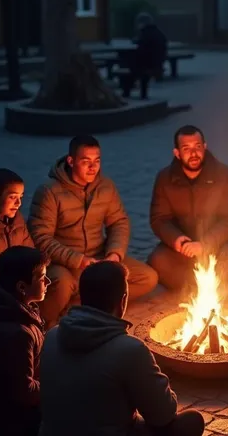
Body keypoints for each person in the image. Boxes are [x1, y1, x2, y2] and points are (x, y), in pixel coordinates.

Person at [38, 261, 205, 436]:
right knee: (191, 422)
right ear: (123, 300)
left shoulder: (52, 336)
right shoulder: (129, 349)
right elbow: (163, 415)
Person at [28, 135, 157, 329]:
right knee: (61, 284)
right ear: (71, 161)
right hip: (63, 262)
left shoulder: (105, 187)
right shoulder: (49, 192)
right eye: (85, 161)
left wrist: (114, 254)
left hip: (98, 256)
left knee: (147, 277)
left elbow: (119, 221)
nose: (92, 167)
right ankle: (44, 323)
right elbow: (41, 237)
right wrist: (78, 260)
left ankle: (78, 307)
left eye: (96, 161)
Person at [148, 125, 228, 294]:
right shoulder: (165, 178)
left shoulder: (225, 175)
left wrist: (205, 244)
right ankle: (200, 289)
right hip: (180, 249)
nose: (193, 154)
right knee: (157, 262)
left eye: (197, 147)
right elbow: (159, 219)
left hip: (217, 245)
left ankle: (200, 288)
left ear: (205, 147)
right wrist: (177, 240)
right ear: (177, 153)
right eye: (186, 149)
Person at [0, 246, 49, 436]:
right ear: (22, 287)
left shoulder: (12, 305)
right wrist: (56, 386)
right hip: (7, 420)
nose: (47, 282)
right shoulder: (16, 333)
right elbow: (24, 391)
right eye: (42, 278)